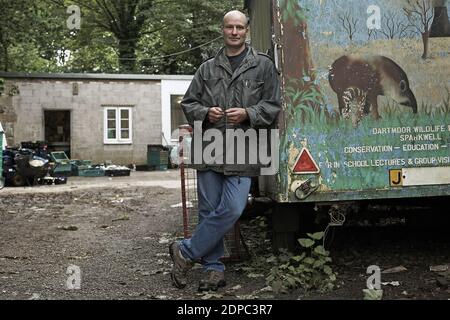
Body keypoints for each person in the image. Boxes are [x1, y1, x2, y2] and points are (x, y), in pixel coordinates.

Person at [169, 10, 281, 292]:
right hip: (210, 147)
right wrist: (206, 113)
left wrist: (248, 113)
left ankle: (185, 251)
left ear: (246, 30)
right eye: (230, 27)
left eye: (239, 27)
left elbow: (273, 105)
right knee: (208, 209)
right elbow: (189, 103)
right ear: (223, 29)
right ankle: (213, 269)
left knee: (233, 207)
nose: (234, 32)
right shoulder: (207, 68)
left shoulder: (263, 67)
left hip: (244, 148)